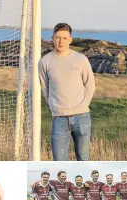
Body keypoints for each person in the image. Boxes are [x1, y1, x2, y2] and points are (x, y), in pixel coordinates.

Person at [38, 23, 96, 161]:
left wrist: (83, 105)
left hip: (82, 117)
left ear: (70, 39)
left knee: (83, 158)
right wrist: (55, 107)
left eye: (64, 38)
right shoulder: (44, 62)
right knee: (59, 161)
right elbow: (45, 88)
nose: (61, 41)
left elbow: (90, 85)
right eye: (57, 37)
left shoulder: (81, 59)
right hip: (59, 119)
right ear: (52, 38)